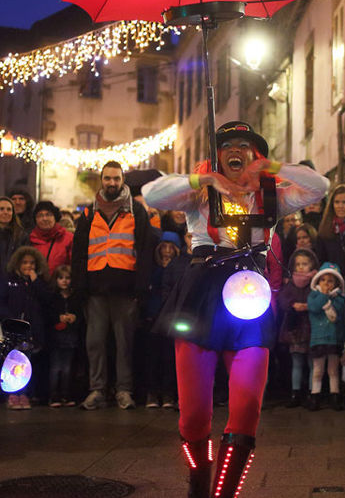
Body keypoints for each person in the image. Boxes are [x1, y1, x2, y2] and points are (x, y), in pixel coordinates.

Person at [142, 121, 328, 498]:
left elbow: (318, 186)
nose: (236, 150)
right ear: (217, 154)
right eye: (228, 144)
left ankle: (224, 493)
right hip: (202, 294)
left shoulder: (271, 194)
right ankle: (198, 478)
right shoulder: (198, 191)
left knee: (246, 409)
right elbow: (152, 193)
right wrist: (202, 182)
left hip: (250, 295)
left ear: (254, 154)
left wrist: (272, 169)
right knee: (194, 415)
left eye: (245, 145)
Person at [73, 161, 156, 411]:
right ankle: (97, 390)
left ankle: (124, 391)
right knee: (95, 343)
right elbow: (79, 254)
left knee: (125, 345)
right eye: (108, 178)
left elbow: (144, 252)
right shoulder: (89, 213)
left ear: (123, 181)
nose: (112, 183)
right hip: (96, 291)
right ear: (102, 180)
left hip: (126, 290)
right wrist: (81, 288)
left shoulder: (137, 212)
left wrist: (140, 289)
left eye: (116, 179)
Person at [0, 246, 48, 410]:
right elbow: (1, 302)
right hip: (13, 330)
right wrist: (10, 319)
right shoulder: (9, 280)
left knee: (27, 363)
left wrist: (36, 282)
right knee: (11, 362)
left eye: (32, 263)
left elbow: (46, 300)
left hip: (31, 331)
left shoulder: (39, 282)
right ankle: (12, 394)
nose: (28, 266)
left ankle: (25, 394)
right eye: (25, 262)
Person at [141, 232, 181, 408]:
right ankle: (152, 392)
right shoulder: (152, 268)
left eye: (170, 248)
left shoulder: (179, 267)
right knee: (152, 356)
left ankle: (167, 393)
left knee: (169, 357)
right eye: (163, 247)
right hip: (153, 315)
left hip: (170, 316)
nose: (166, 251)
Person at [278, 248, 318, 407]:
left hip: (312, 327)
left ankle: (312, 392)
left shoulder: (316, 282)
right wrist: (292, 305)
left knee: (312, 362)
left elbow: (321, 298)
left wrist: (310, 305)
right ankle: (295, 392)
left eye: (305, 264)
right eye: (298, 264)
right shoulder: (291, 283)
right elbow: (283, 298)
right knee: (297, 361)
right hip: (295, 328)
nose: (301, 267)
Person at [306, 262, 345, 412]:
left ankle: (334, 395)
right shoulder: (314, 296)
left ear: (337, 283)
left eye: (330, 281)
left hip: (334, 339)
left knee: (333, 370)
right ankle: (315, 395)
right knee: (318, 370)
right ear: (317, 281)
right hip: (318, 339)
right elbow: (314, 307)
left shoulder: (339, 299)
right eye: (323, 280)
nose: (326, 284)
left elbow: (340, 315)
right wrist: (323, 295)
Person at [46, 265, 81, 408]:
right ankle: (54, 395)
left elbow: (80, 313)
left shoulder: (75, 297)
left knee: (67, 367)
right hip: (56, 336)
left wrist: (74, 317)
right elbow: (48, 314)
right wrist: (58, 318)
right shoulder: (53, 296)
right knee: (56, 367)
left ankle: (66, 395)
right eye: (61, 278)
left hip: (71, 335)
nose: (64, 281)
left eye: (67, 278)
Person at [27, 200, 73, 275]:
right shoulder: (29, 239)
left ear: (55, 218)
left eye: (48, 215)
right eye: (40, 215)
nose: (45, 218)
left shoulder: (68, 238)